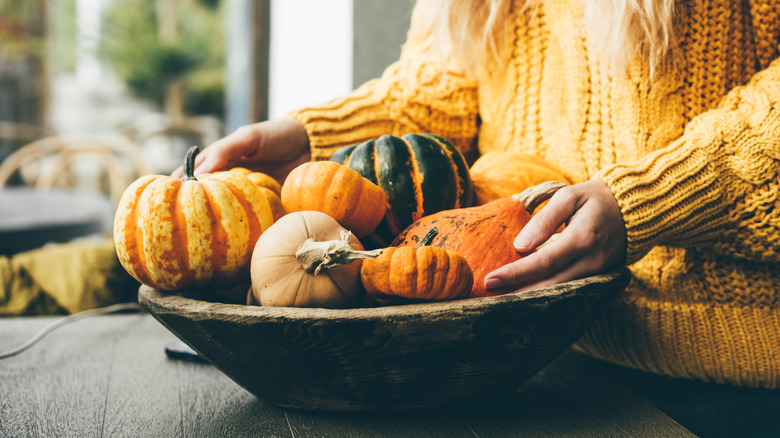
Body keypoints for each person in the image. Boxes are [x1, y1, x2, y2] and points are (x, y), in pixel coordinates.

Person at [175, 0, 780, 390]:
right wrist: (315, 135)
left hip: (724, 372)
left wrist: (653, 200)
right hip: (529, 349)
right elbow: (450, 83)